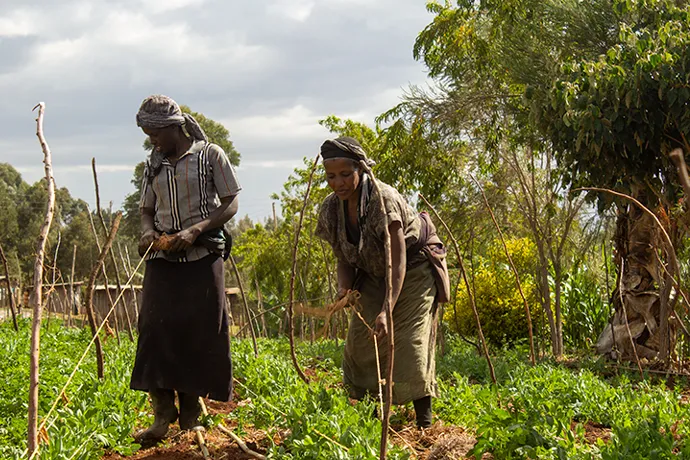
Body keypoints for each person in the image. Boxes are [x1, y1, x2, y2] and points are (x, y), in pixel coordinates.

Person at [315, 136, 450, 428]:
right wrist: (345, 290)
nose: (338, 183)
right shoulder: (330, 209)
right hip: (374, 273)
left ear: (360, 170)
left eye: (345, 175)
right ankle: (372, 418)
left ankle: (424, 425)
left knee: (409, 342)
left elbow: (398, 258)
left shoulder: (382, 200)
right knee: (363, 342)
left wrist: (387, 309)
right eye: (331, 176)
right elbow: (343, 256)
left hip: (413, 270)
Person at [129, 95, 241, 442]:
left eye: (155, 133)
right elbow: (147, 208)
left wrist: (195, 230)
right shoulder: (154, 163)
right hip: (163, 258)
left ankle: (190, 416)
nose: (152, 140)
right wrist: (149, 233)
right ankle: (163, 415)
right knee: (154, 331)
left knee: (196, 332)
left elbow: (231, 201)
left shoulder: (210, 156)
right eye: (148, 135)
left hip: (202, 255)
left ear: (173, 127)